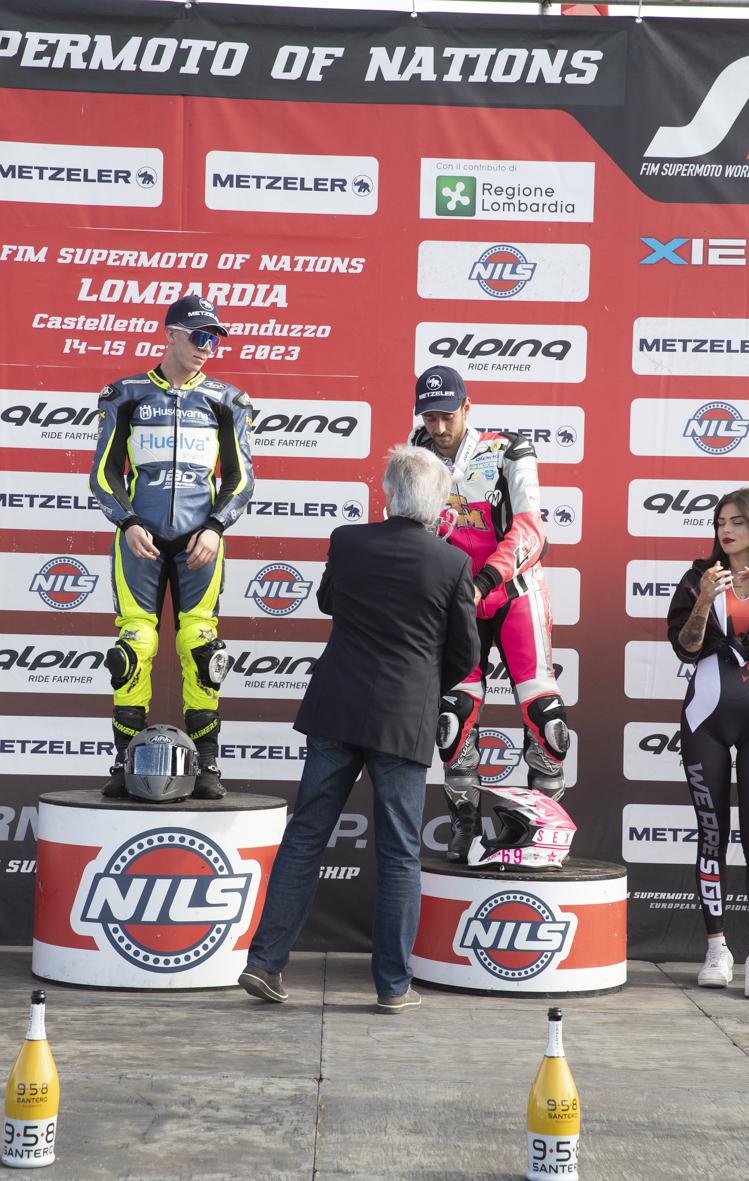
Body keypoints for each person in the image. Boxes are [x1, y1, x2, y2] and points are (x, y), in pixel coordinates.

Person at [238, 445, 479, 1012]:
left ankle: (265, 963)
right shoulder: (452, 563)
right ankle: (393, 987)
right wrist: (422, 681)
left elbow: (328, 602)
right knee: (399, 854)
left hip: (337, 707)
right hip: (404, 717)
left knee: (305, 836)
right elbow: (466, 655)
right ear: (439, 503)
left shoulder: (346, 540)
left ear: (388, 493)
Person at [88, 295, 255, 799]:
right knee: (133, 648)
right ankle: (123, 763)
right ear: (171, 335)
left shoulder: (228, 400)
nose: (207, 347)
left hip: (200, 541)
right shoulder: (127, 394)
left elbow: (241, 479)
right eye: (200, 336)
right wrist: (126, 521)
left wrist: (217, 527)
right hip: (138, 537)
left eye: (214, 339)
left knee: (202, 648)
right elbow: (104, 472)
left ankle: (207, 766)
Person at [408, 365, 569, 861]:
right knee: (454, 716)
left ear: (467, 407)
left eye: (448, 416)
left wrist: (483, 583)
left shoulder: (509, 449)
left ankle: (542, 829)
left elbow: (531, 531)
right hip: (457, 602)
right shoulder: (417, 451)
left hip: (514, 592)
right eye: (430, 417)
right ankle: (465, 828)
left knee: (546, 717)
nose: (439, 428)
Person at [667, 488, 749, 1000]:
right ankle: (716, 948)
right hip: (705, 719)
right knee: (711, 836)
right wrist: (703, 600)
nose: (726, 529)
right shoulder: (699, 577)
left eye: (737, 521)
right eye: (720, 521)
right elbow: (686, 648)